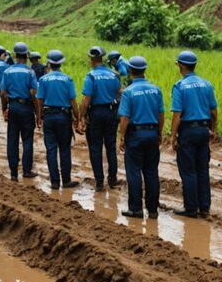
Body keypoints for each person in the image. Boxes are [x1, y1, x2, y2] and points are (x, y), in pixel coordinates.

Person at [171, 51, 218, 218]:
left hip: (188, 132)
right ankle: (204, 208)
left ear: (181, 66)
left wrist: (173, 136)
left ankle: (191, 208)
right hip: (204, 130)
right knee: (202, 170)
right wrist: (213, 129)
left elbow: (177, 114)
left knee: (189, 171)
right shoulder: (207, 84)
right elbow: (213, 111)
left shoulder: (180, 86)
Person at [118, 56, 164, 219]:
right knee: (151, 172)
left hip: (135, 135)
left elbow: (125, 118)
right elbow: (161, 114)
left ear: (130, 71)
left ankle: (136, 209)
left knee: (134, 172)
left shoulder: (128, 92)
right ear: (144, 70)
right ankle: (153, 210)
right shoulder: (155, 90)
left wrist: (121, 136)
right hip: (152, 133)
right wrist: (159, 132)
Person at [80, 46, 122, 192]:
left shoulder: (90, 76)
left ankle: (99, 182)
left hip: (96, 113)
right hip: (112, 113)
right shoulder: (114, 75)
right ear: (103, 58)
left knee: (95, 148)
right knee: (111, 146)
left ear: (91, 59)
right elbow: (119, 94)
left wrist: (82, 116)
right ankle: (113, 178)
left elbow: (86, 100)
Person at [36, 50, 80, 190]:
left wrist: (39, 117)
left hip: (48, 117)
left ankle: (55, 182)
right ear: (61, 63)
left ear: (49, 63)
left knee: (51, 149)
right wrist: (78, 118)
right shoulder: (67, 79)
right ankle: (66, 181)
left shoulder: (43, 79)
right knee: (65, 149)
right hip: (64, 117)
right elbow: (73, 101)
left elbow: (39, 100)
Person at [0, 43, 38, 181]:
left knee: (12, 139)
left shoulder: (7, 71)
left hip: (13, 107)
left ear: (15, 56)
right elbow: (34, 93)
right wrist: (38, 112)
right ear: (26, 56)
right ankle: (27, 171)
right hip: (26, 108)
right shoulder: (30, 72)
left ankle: (13, 173)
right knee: (27, 139)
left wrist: (4, 109)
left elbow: (3, 92)